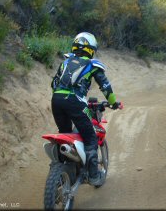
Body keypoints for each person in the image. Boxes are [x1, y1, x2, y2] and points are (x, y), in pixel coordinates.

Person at [51, 32, 119, 186]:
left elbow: (54, 84)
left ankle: (63, 168)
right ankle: (94, 176)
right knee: (90, 137)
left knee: (65, 133)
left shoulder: (65, 62)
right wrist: (113, 103)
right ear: (91, 49)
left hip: (56, 100)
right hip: (75, 101)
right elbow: (106, 87)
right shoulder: (92, 65)